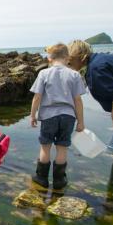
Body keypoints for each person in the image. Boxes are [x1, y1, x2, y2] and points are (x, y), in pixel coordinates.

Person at [68, 40, 113, 211]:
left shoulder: (97, 68)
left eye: (71, 60)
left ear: (80, 57)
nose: (69, 64)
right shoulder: (99, 61)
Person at [30, 43, 86, 189]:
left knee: (45, 146)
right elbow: (78, 100)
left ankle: (41, 178)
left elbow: (37, 97)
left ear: (49, 58)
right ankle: (59, 181)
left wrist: (33, 115)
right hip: (68, 116)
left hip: (48, 116)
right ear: (67, 58)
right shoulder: (74, 74)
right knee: (62, 147)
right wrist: (81, 122)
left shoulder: (44, 73)